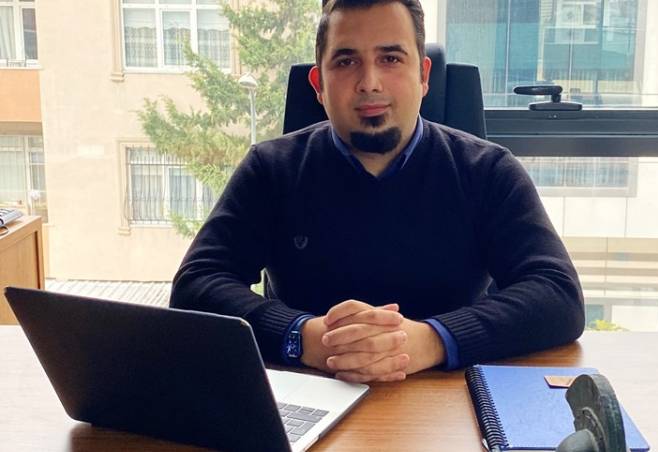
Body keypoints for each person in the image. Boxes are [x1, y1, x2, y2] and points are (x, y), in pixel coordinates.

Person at [170, 0, 584, 383]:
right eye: (346, 61)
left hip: (446, 403)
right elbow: (195, 285)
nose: (369, 83)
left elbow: (557, 293)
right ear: (318, 84)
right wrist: (302, 336)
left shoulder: (487, 170)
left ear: (423, 76)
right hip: (307, 396)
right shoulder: (271, 168)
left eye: (390, 58)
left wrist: (431, 340)